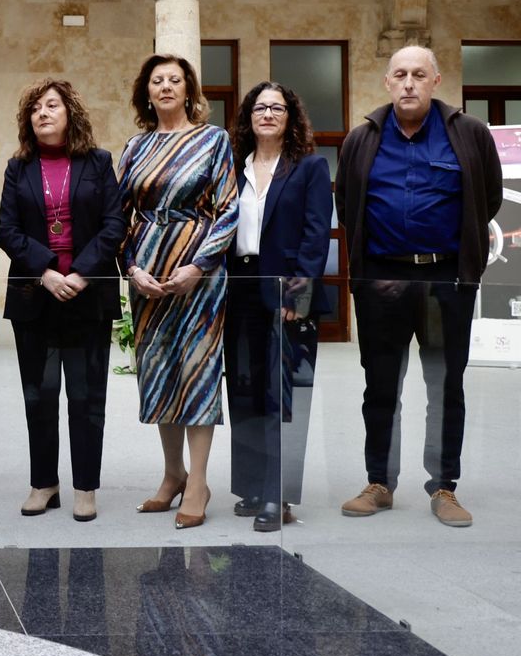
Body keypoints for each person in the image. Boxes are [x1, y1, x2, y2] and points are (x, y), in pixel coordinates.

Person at [335, 45, 501, 527]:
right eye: (400, 74)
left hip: (444, 280)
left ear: (436, 81)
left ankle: (444, 486)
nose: (409, 83)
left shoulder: (468, 134)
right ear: (387, 82)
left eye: (419, 75)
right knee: (380, 385)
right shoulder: (362, 137)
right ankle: (379, 482)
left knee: (446, 384)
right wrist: (376, 270)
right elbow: (348, 203)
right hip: (382, 281)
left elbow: (486, 198)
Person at [118, 53, 238, 530]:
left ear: (189, 90)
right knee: (160, 369)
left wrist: (200, 264)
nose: (166, 87)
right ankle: (172, 475)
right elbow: (118, 217)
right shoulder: (134, 146)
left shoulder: (214, 140)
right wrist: (130, 267)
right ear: (146, 92)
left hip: (199, 272)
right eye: (157, 80)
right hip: (148, 270)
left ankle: (199, 482)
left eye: (175, 80)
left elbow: (228, 208)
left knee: (199, 369)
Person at [0, 78, 123, 523]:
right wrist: (48, 271)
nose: (43, 113)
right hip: (36, 294)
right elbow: (6, 231)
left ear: (71, 113)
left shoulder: (99, 163)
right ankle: (43, 483)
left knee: (87, 397)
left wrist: (81, 272)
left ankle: (85, 487)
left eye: (52, 105)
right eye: (35, 108)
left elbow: (114, 225)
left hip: (89, 294)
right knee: (40, 395)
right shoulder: (18, 168)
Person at [224, 82, 331, 531]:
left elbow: (315, 235)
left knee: (280, 397)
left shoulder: (309, 167)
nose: (267, 114)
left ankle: (278, 494)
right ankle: (252, 488)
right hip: (239, 288)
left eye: (277, 107)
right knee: (244, 391)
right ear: (248, 117)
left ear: (290, 117)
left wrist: (297, 296)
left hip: (285, 293)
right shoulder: (234, 167)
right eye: (260, 107)